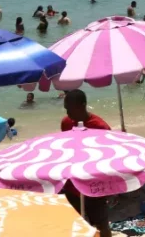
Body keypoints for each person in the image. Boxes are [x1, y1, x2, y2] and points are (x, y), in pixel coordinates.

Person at [61, 89, 112, 237]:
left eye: (70, 109)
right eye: (66, 109)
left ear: (82, 105)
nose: (68, 113)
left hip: (94, 182)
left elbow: (108, 156)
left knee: (101, 223)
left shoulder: (100, 127)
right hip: (71, 182)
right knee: (76, 222)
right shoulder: (66, 123)